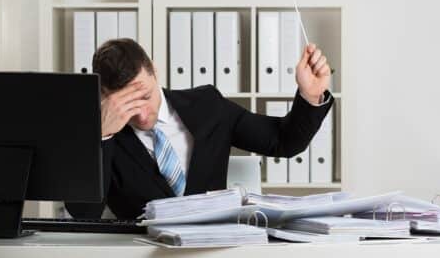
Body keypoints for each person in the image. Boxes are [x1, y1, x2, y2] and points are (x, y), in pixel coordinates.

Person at [66, 38, 334, 219]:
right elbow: (83, 213)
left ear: (154, 71)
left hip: (212, 251)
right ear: (104, 95)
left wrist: (310, 97)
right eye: (126, 105)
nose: (141, 114)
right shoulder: (99, 135)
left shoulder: (207, 105)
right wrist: (102, 136)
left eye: (145, 97)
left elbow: (283, 142)